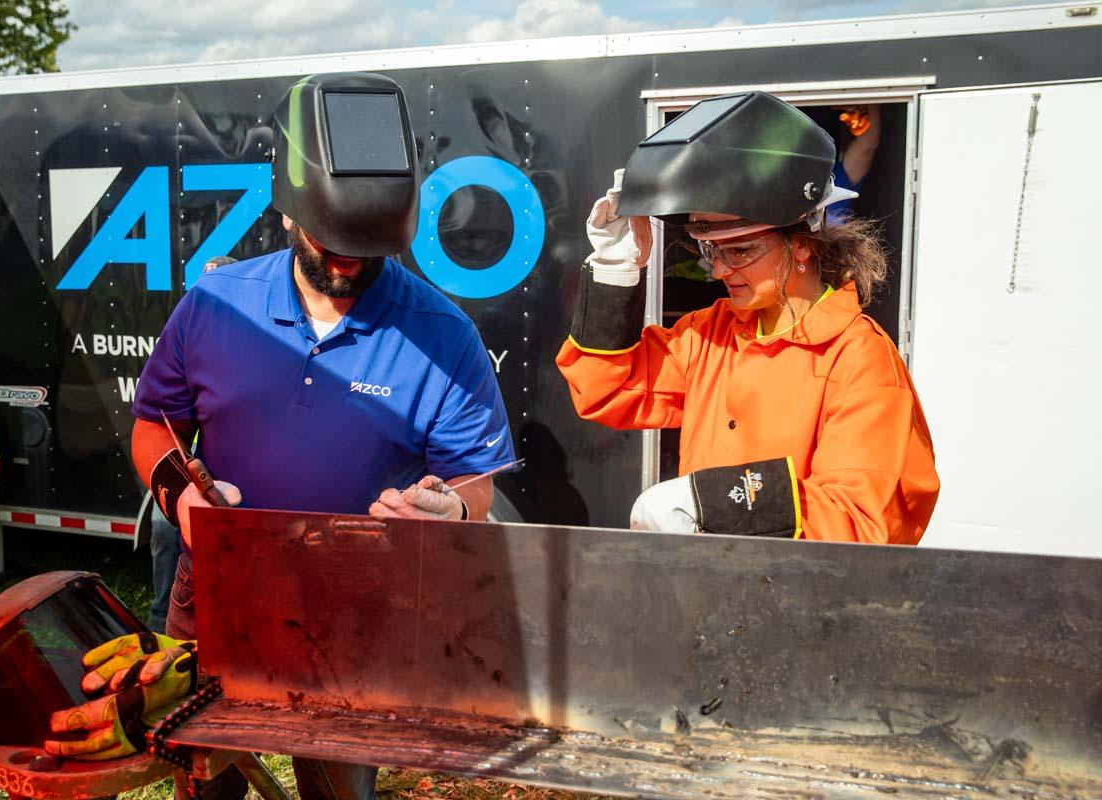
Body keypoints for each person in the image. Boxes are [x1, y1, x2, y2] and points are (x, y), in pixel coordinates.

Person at [49, 73, 515, 800]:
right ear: (291, 212)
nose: (346, 266)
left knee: (338, 787)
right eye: (330, 243)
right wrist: (187, 505)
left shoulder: (443, 333)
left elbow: (472, 486)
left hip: (352, 609)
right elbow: (154, 429)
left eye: (366, 250)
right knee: (207, 777)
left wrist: (448, 513)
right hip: (218, 593)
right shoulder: (214, 305)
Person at [557, 91, 938, 544]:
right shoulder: (712, 333)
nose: (718, 270)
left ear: (803, 243)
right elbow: (607, 389)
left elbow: (862, 518)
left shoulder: (859, 359)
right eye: (710, 248)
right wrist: (614, 274)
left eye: (739, 249)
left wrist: (716, 502)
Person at [145, 255, 237, 634]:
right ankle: (160, 614)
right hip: (192, 468)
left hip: (230, 477)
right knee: (165, 530)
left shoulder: (251, 339)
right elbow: (158, 416)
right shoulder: (188, 330)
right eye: (204, 286)